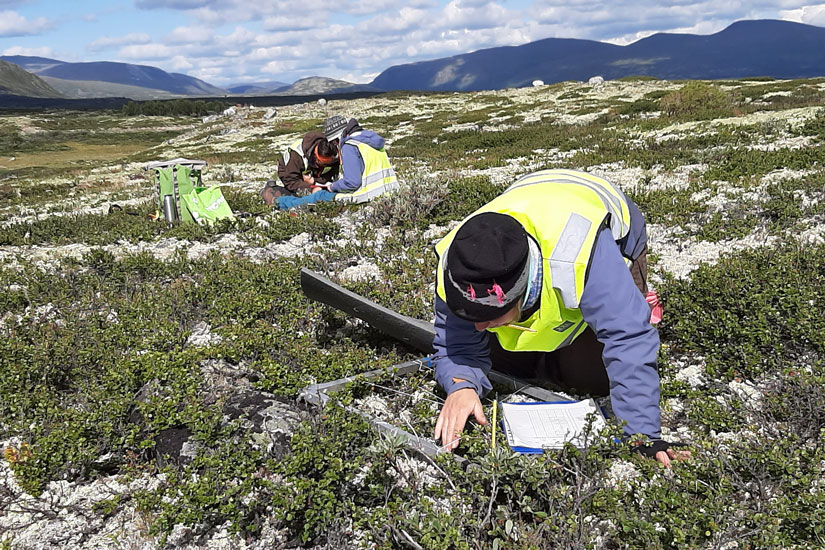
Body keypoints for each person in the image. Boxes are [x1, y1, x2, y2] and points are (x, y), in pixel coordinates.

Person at [431, 169, 690, 467]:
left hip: (608, 226)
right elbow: (460, 343)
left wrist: (642, 437)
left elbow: (627, 337)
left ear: (523, 291)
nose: (477, 324)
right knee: (503, 358)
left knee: (595, 376)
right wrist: (462, 385)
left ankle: (629, 301)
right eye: (470, 312)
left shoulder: (581, 252)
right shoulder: (458, 263)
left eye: (489, 314)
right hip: (533, 198)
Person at [274, 115, 399, 210]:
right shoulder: (369, 140)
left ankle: (278, 202)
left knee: (318, 197)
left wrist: (331, 187)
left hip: (364, 196)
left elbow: (352, 183)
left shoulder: (349, 146)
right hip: (389, 192)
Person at [261, 131, 339, 205]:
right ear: (315, 155)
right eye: (321, 163)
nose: (324, 166)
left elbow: (334, 173)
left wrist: (314, 181)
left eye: (327, 164)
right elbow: (291, 182)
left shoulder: (332, 148)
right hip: (297, 181)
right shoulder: (295, 156)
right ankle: (269, 190)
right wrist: (310, 189)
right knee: (295, 199)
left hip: (318, 181)